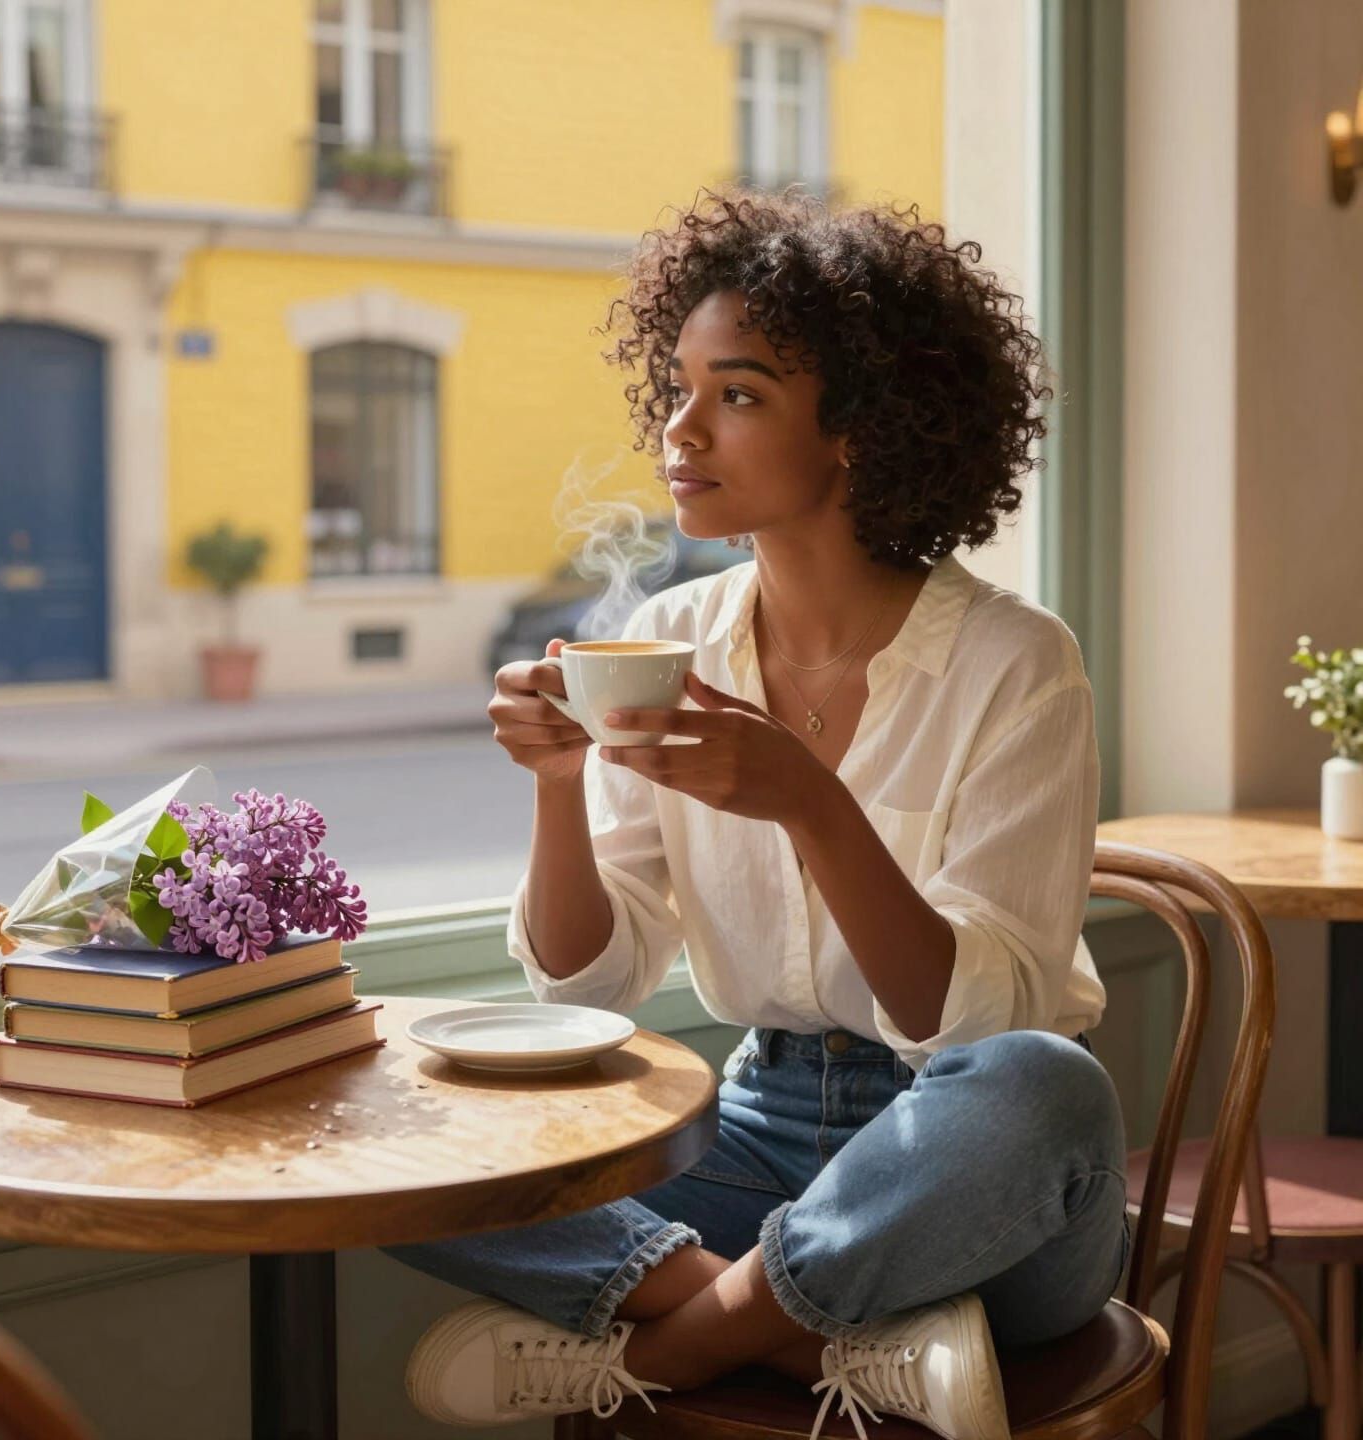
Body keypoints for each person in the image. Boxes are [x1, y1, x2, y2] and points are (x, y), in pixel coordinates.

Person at [389, 189, 1127, 1440]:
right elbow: (591, 985)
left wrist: (812, 805)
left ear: (861, 433)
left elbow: (978, 1022)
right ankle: (838, 1348)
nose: (679, 430)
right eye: (676, 388)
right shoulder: (667, 644)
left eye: (737, 395)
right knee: (412, 1131)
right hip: (753, 1138)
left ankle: (669, 1344)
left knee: (1044, 1083)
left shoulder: (1018, 664)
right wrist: (559, 791)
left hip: (968, 1175)